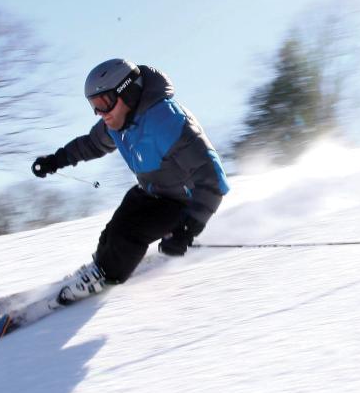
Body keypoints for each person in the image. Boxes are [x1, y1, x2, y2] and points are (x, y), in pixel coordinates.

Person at [32, 58, 230, 303]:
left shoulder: (168, 122)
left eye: (104, 103)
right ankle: (100, 266)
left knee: (130, 231)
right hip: (153, 191)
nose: (100, 113)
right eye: (94, 105)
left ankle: (108, 275)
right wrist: (56, 160)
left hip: (183, 204)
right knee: (114, 228)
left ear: (129, 91)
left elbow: (213, 180)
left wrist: (187, 229)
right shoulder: (117, 122)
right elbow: (91, 144)